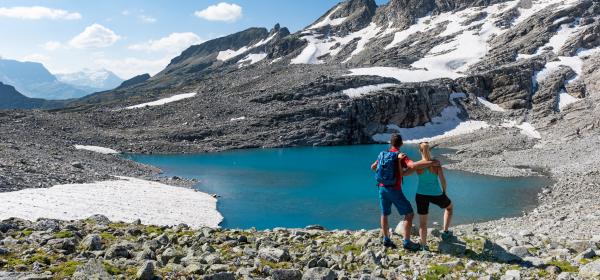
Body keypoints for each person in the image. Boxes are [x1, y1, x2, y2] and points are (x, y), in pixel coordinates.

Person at [371, 134, 440, 251]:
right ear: (401, 144)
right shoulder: (401, 155)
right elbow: (412, 165)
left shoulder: (383, 154)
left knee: (384, 214)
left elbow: (373, 167)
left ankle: (386, 239)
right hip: (394, 189)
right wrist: (431, 163)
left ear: (390, 143)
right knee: (409, 214)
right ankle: (407, 242)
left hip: (382, 188)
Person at [405, 142, 453, 251]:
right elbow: (443, 180)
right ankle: (445, 232)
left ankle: (424, 246)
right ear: (429, 150)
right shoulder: (436, 164)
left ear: (420, 151)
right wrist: (444, 192)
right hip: (436, 194)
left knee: (423, 223)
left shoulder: (417, 165)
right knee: (449, 208)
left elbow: (405, 173)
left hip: (421, 195)